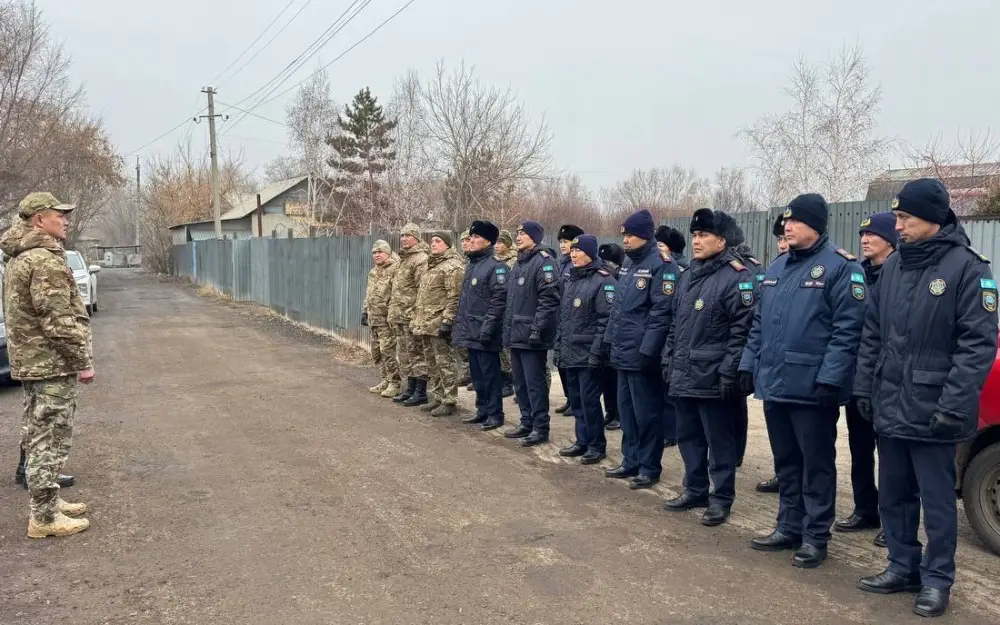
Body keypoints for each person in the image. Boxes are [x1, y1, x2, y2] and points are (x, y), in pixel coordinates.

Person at [853, 179, 998, 618]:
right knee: (893, 494)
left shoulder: (968, 268)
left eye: (905, 218)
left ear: (933, 219)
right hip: (892, 403)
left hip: (937, 410)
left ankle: (937, 581)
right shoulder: (894, 268)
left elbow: (978, 344)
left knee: (936, 503)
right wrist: (864, 387)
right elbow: (872, 333)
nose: (897, 226)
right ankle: (901, 566)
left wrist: (955, 403)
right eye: (896, 218)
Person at [738, 193, 865, 569]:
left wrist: (830, 377)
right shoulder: (777, 268)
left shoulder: (841, 268)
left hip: (813, 388)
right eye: (786, 222)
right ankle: (788, 526)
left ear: (816, 226)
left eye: (795, 222)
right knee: (787, 462)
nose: (788, 227)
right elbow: (759, 323)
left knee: (817, 464)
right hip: (776, 383)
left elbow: (848, 330)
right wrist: (749, 363)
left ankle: (815, 536)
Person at [1, 192, 94, 538]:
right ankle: (43, 518)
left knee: (38, 431)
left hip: (34, 362)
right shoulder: (43, 260)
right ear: (40, 219)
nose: (65, 220)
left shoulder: (22, 257)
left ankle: (49, 503)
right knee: (49, 438)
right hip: (50, 364)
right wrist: (82, 361)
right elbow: (57, 320)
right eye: (59, 214)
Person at [662, 209, 754, 526]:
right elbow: (676, 324)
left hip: (714, 375)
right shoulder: (687, 276)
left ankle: (722, 497)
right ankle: (695, 488)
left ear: (722, 240)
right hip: (685, 372)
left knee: (720, 441)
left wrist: (730, 372)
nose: (697, 240)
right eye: (695, 235)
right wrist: (668, 357)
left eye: (704, 236)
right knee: (689, 436)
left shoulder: (736, 277)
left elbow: (740, 332)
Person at [834, 213, 897, 548]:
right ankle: (864, 508)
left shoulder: (901, 275)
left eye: (873, 234)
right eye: (863, 234)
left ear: (891, 239)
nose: (865, 239)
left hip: (888, 379)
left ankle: (893, 520)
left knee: (891, 456)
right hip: (859, 377)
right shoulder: (857, 274)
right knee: (860, 448)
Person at [603, 209, 676, 490]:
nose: (626, 240)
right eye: (624, 235)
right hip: (623, 352)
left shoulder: (661, 264)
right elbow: (618, 310)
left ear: (645, 235)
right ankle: (630, 459)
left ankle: (648, 465)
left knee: (647, 413)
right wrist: (610, 341)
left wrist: (649, 350)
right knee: (627, 411)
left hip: (642, 355)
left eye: (631, 235)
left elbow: (662, 312)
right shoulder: (628, 265)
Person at [556, 234, 615, 465]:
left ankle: (596, 445)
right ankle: (582, 441)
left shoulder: (603, 281)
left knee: (590, 402)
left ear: (590, 253)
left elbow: (606, 321)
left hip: (589, 354)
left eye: (578, 251)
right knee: (577, 401)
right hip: (571, 353)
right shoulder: (571, 280)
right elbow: (564, 319)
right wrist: (559, 348)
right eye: (572, 251)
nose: (573, 254)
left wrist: (596, 353)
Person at [502, 221, 561, 447]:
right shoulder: (518, 264)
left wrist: (538, 328)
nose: (518, 237)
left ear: (535, 238)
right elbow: (511, 303)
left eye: (524, 234)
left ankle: (540, 426)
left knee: (534, 383)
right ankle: (526, 421)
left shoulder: (544, 263)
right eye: (518, 233)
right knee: (521, 382)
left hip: (531, 336)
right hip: (516, 334)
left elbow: (549, 300)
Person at [454, 221, 508, 430]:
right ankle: (482, 409)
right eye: (470, 237)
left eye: (475, 237)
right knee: (477, 374)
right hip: (471, 330)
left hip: (485, 332)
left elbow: (499, 301)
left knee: (490, 374)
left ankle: (495, 413)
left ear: (488, 241)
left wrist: (488, 328)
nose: (471, 241)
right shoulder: (473, 265)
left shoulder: (496, 267)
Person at [410, 233, 465, 415]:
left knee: (444, 362)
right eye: (432, 241)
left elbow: (455, 297)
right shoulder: (430, 265)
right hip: (425, 323)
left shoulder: (453, 266)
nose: (433, 244)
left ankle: (449, 400)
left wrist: (447, 320)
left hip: (439, 323)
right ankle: (438, 396)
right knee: (432, 363)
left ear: (447, 244)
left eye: (438, 241)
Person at [755, 213, 790, 495]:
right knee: (779, 436)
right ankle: (783, 475)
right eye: (779, 238)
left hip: (802, 372)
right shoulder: (774, 269)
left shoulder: (833, 267)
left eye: (786, 236)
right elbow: (760, 320)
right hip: (772, 367)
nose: (782, 243)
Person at [388, 223, 429, 404]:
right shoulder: (404, 259)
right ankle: (410, 388)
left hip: (411, 316)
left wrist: (416, 315)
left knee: (416, 354)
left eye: (408, 235)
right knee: (405, 355)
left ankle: (421, 392)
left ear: (417, 238)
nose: (403, 238)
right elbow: (396, 289)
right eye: (402, 235)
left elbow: (423, 290)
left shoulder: (421, 259)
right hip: (399, 316)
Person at [654, 226, 683, 448]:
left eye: (661, 245)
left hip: (670, 335)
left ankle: (671, 431)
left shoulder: (678, 270)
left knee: (668, 390)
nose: (657, 249)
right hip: (659, 335)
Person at [362, 240, 401, 398]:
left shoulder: (395, 269)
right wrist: (365, 311)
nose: (377, 255)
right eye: (374, 252)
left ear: (388, 253)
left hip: (386, 320)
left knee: (388, 351)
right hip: (374, 318)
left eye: (380, 252)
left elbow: (397, 295)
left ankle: (394, 382)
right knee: (376, 352)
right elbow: (369, 293)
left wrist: (393, 315)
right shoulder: (373, 272)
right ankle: (385, 379)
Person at [554, 224, 585, 418]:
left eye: (566, 242)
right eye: (561, 242)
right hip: (560, 317)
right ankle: (569, 398)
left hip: (573, 318)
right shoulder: (560, 263)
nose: (562, 245)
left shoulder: (575, 264)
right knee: (561, 362)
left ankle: (576, 401)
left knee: (571, 365)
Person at [597, 243, 623, 431]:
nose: (606, 267)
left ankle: (618, 415)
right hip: (605, 338)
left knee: (615, 381)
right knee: (606, 380)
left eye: (609, 264)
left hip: (617, 337)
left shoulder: (619, 279)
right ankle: (610, 412)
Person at [494, 230, 517, 398]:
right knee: (499, 348)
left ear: (508, 244)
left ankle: (510, 382)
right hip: (497, 307)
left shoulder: (513, 261)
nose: (497, 246)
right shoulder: (495, 260)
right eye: (496, 243)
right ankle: (503, 380)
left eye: (500, 243)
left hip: (508, 308)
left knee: (506, 349)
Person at [457, 230, 473, 389]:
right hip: (461, 308)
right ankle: (468, 374)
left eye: (467, 240)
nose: (465, 243)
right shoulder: (462, 261)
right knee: (462, 344)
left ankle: (475, 377)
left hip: (473, 309)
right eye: (462, 241)